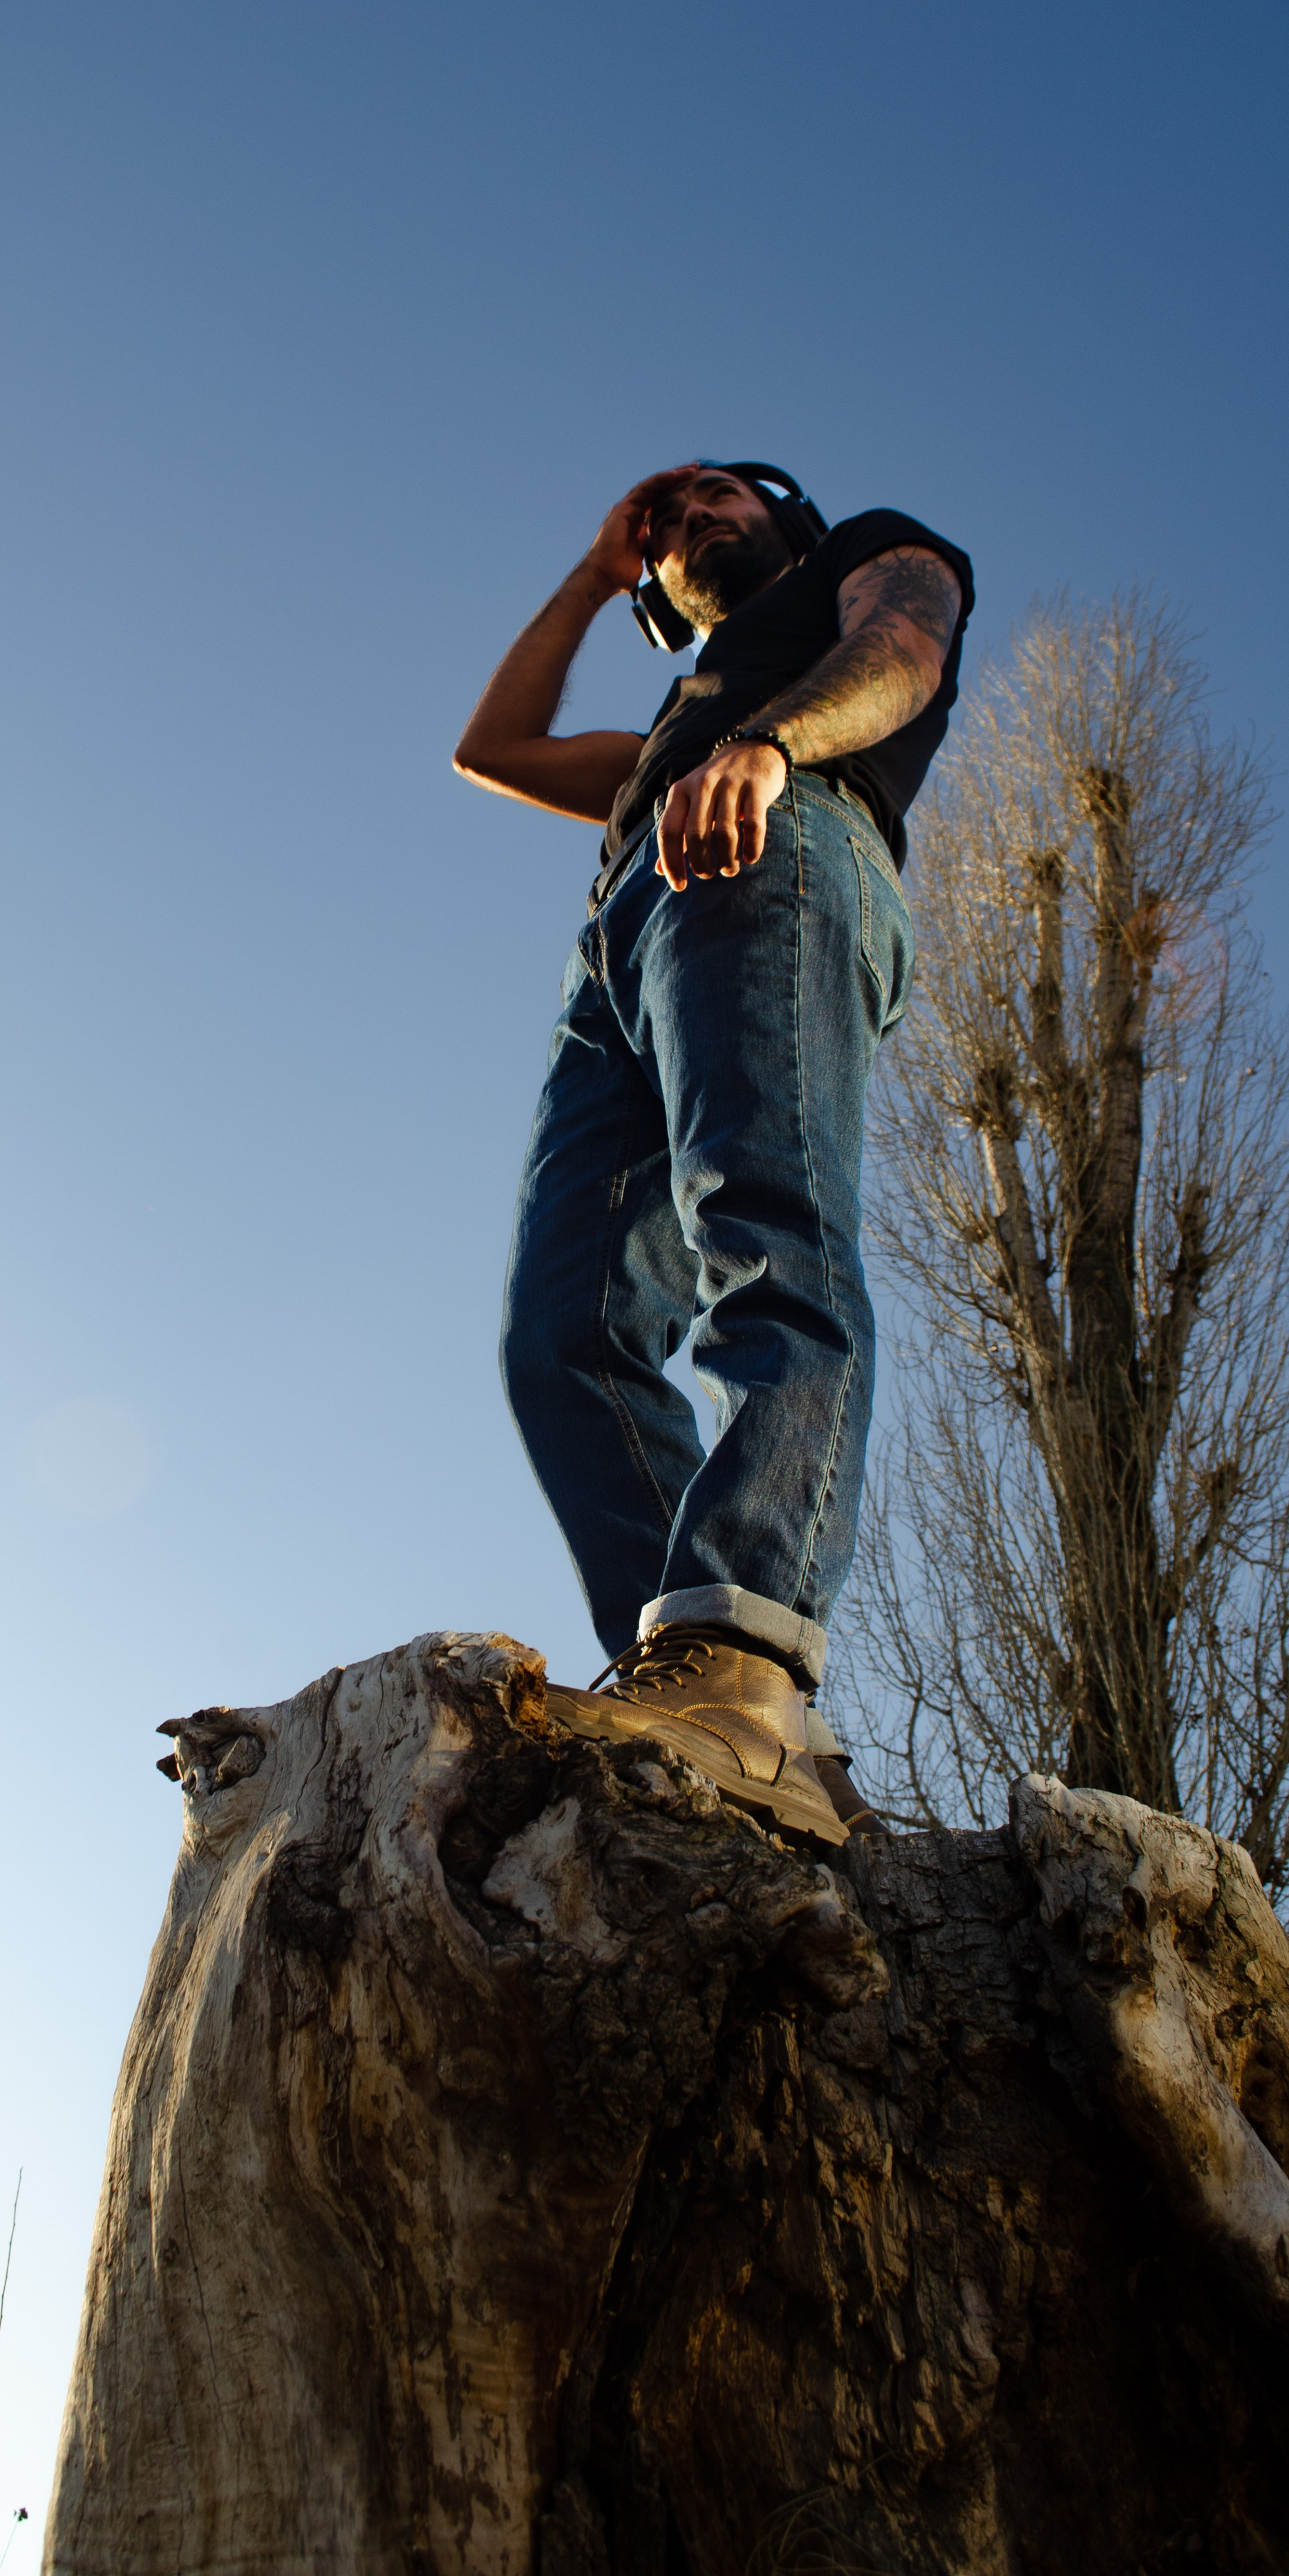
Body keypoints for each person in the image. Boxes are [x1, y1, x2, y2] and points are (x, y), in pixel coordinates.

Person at [455, 462, 973, 1845]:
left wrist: (772, 747)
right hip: (620, 938)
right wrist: (592, 575)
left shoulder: (853, 569)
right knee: (558, 1337)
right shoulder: (657, 737)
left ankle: (746, 1663)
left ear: (789, 516)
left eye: (719, 497)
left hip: (778, 834)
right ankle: (697, 1687)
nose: (693, 517)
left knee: (765, 1220)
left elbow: (904, 648)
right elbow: (490, 750)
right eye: (670, 519)